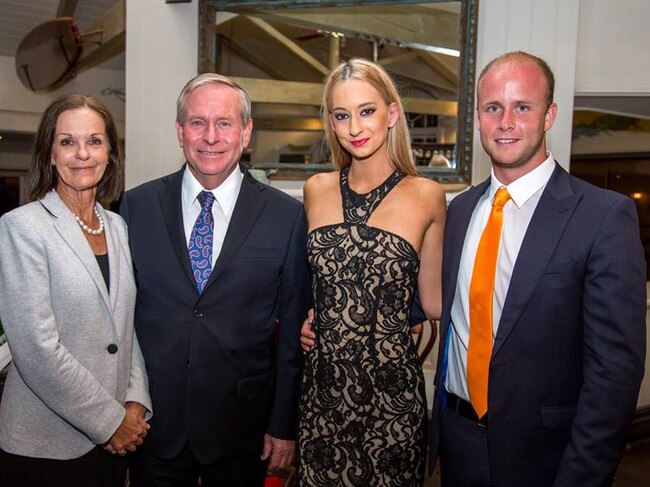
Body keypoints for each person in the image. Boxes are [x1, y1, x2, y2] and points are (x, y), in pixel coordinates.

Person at [428, 51, 646, 486]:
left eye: (522, 107)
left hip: (548, 459)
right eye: (494, 108)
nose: (506, 121)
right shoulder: (460, 210)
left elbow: (614, 373)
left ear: (549, 115)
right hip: (457, 443)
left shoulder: (603, 216)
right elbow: (442, 306)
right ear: (478, 117)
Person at [119, 73, 311, 486]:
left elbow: (293, 335)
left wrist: (283, 424)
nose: (210, 136)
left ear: (246, 132)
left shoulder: (286, 216)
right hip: (153, 425)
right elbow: (122, 317)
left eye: (224, 123)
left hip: (243, 428)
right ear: (179, 131)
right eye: (197, 122)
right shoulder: (137, 206)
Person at [297, 58, 446, 486]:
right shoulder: (316, 189)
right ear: (331, 121)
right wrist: (313, 318)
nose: (355, 127)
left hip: (392, 399)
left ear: (392, 113)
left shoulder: (426, 196)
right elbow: (316, 286)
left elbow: (433, 301)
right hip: (322, 398)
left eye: (367, 111)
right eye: (342, 115)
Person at [0, 94, 152, 487]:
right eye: (67, 142)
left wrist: (136, 402)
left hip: (116, 436)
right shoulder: (23, 226)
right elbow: (36, 346)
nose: (82, 154)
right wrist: (109, 421)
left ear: (110, 153)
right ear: (49, 154)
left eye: (95, 141)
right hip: (46, 444)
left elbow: (125, 326)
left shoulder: (117, 226)